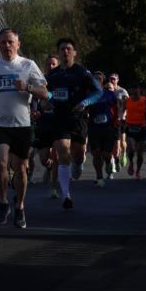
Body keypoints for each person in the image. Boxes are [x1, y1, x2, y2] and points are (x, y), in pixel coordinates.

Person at [0, 29, 47, 229]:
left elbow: (45, 91)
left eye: (10, 42)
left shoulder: (28, 65)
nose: (6, 46)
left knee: (21, 169)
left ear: (18, 44)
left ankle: (20, 206)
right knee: (0, 164)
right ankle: (3, 203)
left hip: (22, 125)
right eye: (2, 43)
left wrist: (28, 87)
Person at [44, 38, 102, 209]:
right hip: (59, 118)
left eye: (69, 49)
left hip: (78, 119)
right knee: (62, 152)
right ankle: (66, 195)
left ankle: (78, 163)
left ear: (75, 52)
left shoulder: (82, 73)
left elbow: (98, 92)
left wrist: (85, 103)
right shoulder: (52, 75)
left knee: (77, 154)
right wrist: (44, 101)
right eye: (62, 49)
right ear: (59, 52)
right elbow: (44, 93)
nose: (65, 52)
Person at [30, 53, 60, 196]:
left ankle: (53, 187)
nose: (51, 66)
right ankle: (49, 168)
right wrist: (34, 111)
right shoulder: (41, 81)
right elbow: (35, 99)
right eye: (48, 64)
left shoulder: (61, 81)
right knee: (43, 159)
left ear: (57, 65)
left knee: (56, 155)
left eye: (53, 64)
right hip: (43, 124)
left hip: (57, 123)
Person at [86, 72, 119, 187]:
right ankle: (99, 177)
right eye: (94, 79)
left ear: (103, 81)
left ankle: (109, 161)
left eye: (99, 79)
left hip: (108, 127)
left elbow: (117, 107)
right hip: (94, 128)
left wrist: (117, 120)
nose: (96, 81)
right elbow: (84, 108)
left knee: (106, 154)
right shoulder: (89, 95)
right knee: (96, 153)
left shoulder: (110, 94)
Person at [124, 83, 146, 179]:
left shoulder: (144, 101)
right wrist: (121, 120)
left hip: (141, 129)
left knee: (140, 153)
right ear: (131, 91)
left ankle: (138, 171)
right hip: (130, 128)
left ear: (139, 90)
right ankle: (131, 162)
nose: (135, 91)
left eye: (137, 89)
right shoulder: (127, 101)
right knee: (131, 149)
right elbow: (121, 111)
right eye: (133, 89)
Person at [107, 73, 129, 176]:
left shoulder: (122, 92)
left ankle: (123, 153)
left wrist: (123, 115)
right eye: (110, 79)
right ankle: (112, 163)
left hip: (122, 119)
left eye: (114, 79)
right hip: (111, 120)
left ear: (118, 80)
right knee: (113, 144)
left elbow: (127, 105)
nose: (112, 81)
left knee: (122, 142)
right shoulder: (107, 89)